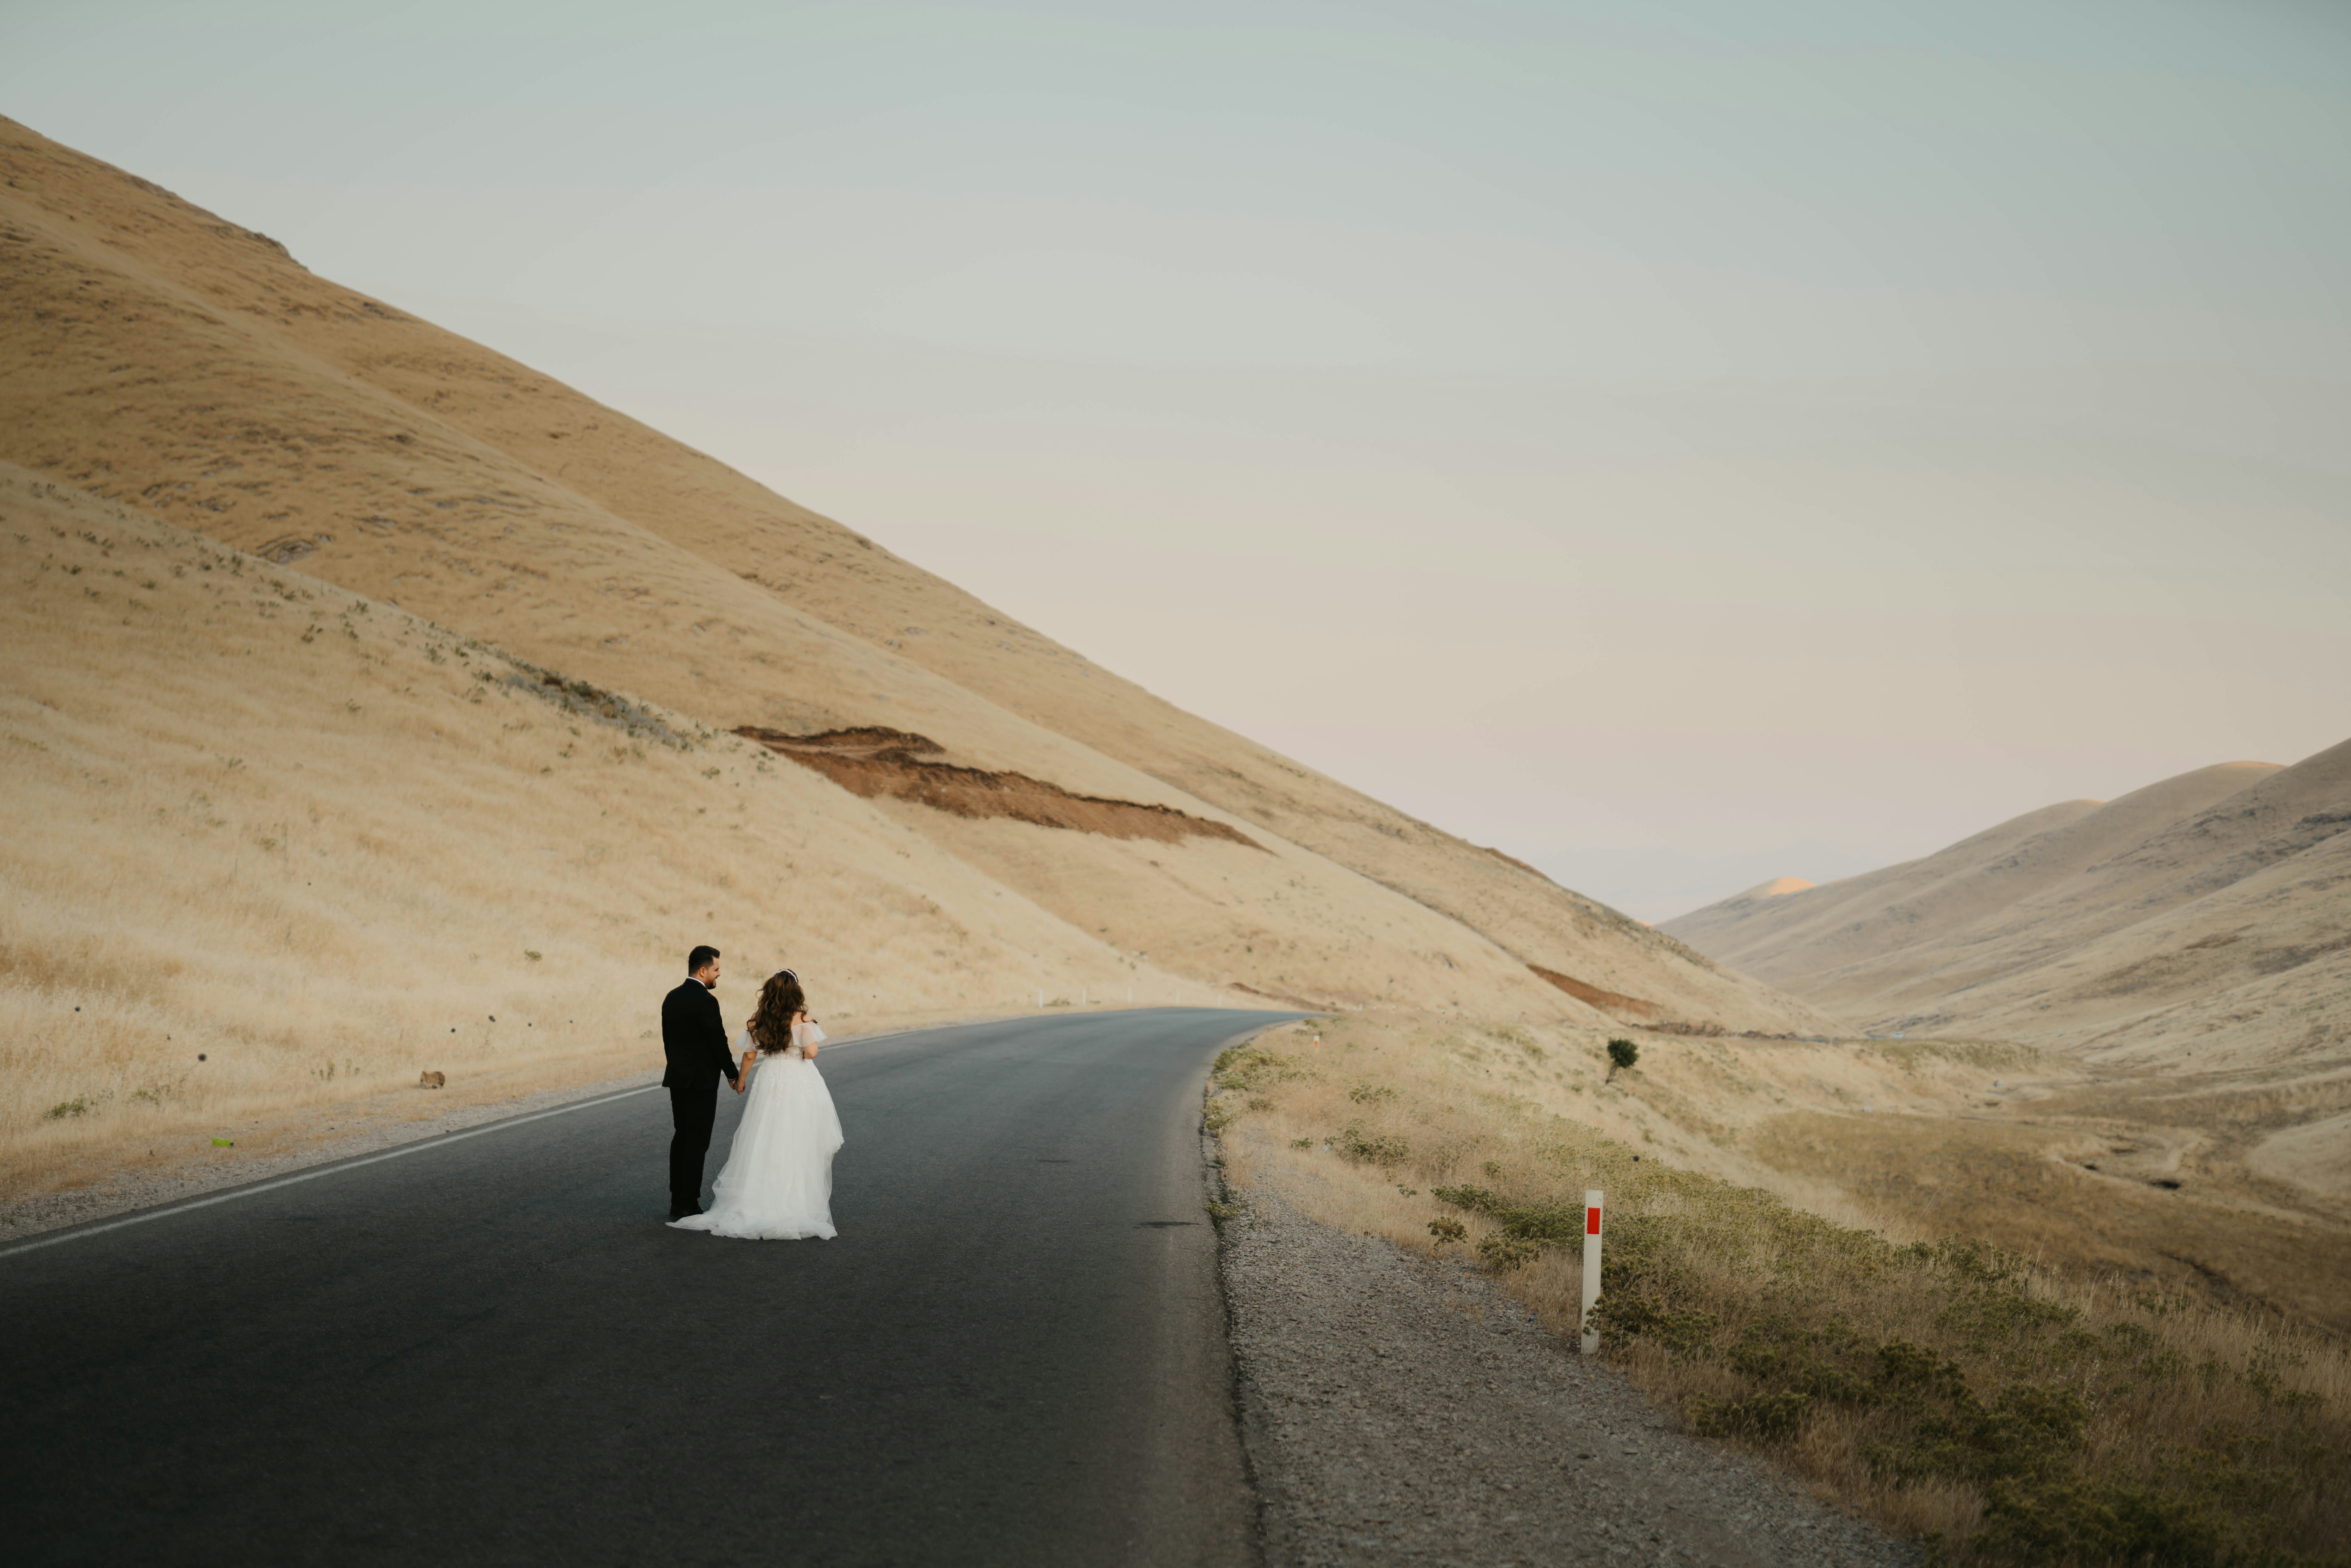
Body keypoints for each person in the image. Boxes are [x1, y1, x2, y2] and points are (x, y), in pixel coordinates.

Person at [670, 968, 843, 1240]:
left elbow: (750, 1056)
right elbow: (811, 1053)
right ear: (796, 991)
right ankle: (795, 1202)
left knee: (765, 1136)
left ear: (770, 991)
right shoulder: (802, 1018)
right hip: (797, 1080)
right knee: (797, 1139)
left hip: (771, 1079)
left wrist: (740, 1081)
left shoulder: (758, 1021)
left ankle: (756, 1200)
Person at [660, 945, 739, 1220]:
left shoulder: (671, 997)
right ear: (703, 971)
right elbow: (718, 1042)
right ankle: (689, 1204)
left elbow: (668, 1041)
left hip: (678, 1079)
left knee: (681, 1138)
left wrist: (679, 1068)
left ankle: (676, 1201)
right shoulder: (706, 1001)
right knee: (697, 1142)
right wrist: (733, 1074)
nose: (719, 975)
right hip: (701, 1083)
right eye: (716, 970)